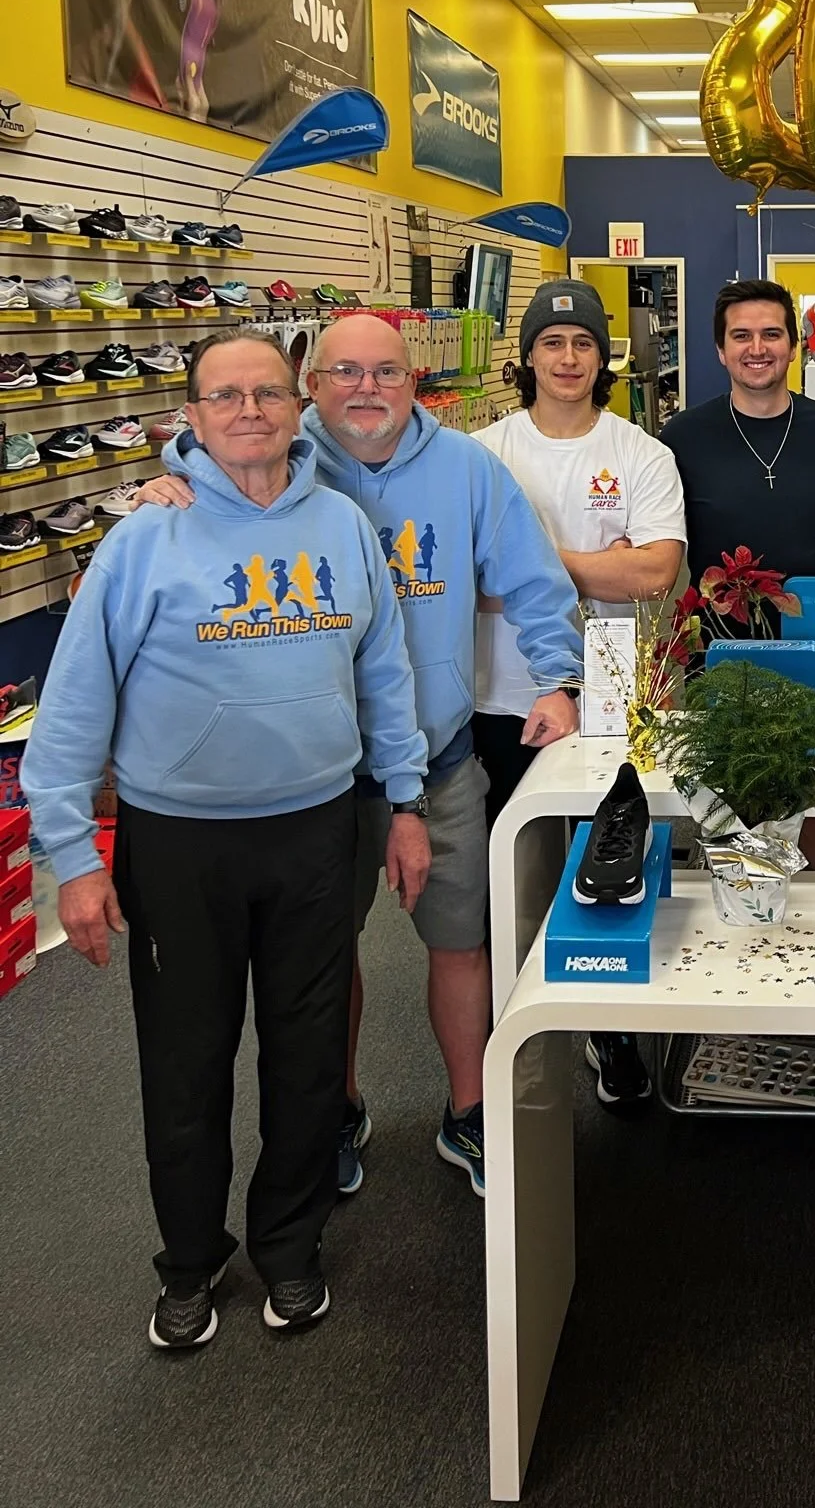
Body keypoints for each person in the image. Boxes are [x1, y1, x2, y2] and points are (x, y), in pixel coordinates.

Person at [23, 333, 429, 1349]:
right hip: (179, 842)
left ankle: (289, 1247)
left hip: (317, 830)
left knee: (305, 1056)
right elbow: (72, 706)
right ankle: (190, 1261)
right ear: (191, 418)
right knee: (186, 1060)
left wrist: (408, 797)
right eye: (224, 395)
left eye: (266, 392)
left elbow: (384, 671)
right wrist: (72, 855)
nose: (249, 409)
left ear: (298, 408)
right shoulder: (141, 541)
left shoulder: (339, 521)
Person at [132, 313, 583, 1201]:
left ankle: (467, 1113)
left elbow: (536, 582)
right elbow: (200, 476)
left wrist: (558, 679)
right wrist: (172, 479)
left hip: (441, 753)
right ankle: (332, 1110)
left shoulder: (467, 470)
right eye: (344, 372)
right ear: (313, 387)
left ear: (417, 381)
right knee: (318, 961)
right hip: (317, 779)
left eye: (385, 371)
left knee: (461, 941)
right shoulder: (271, 468)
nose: (366, 388)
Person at [474, 279, 685, 1110]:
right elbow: (477, 587)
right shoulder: (484, 452)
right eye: (552, 343)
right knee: (510, 875)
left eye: (583, 344)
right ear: (527, 355)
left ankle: (615, 1034)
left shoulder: (641, 453)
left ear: (605, 357)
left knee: (611, 867)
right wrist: (597, 560)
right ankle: (516, 1046)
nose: (568, 358)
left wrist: (528, 561)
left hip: (613, 697)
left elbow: (655, 573)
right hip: (500, 696)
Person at [661, 277, 815, 591]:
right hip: (719, 636)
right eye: (741, 335)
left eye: (771, 334)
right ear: (721, 350)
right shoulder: (681, 438)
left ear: (795, 346)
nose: (757, 349)